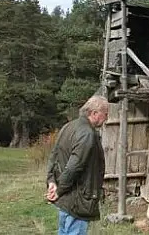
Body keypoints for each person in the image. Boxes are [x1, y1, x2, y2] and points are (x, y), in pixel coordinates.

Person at [46, 95, 109, 235]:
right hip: (78, 200)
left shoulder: (68, 126)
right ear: (94, 113)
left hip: (67, 200)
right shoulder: (87, 134)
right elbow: (74, 167)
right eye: (105, 114)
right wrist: (58, 190)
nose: (106, 119)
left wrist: (51, 181)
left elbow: (53, 156)